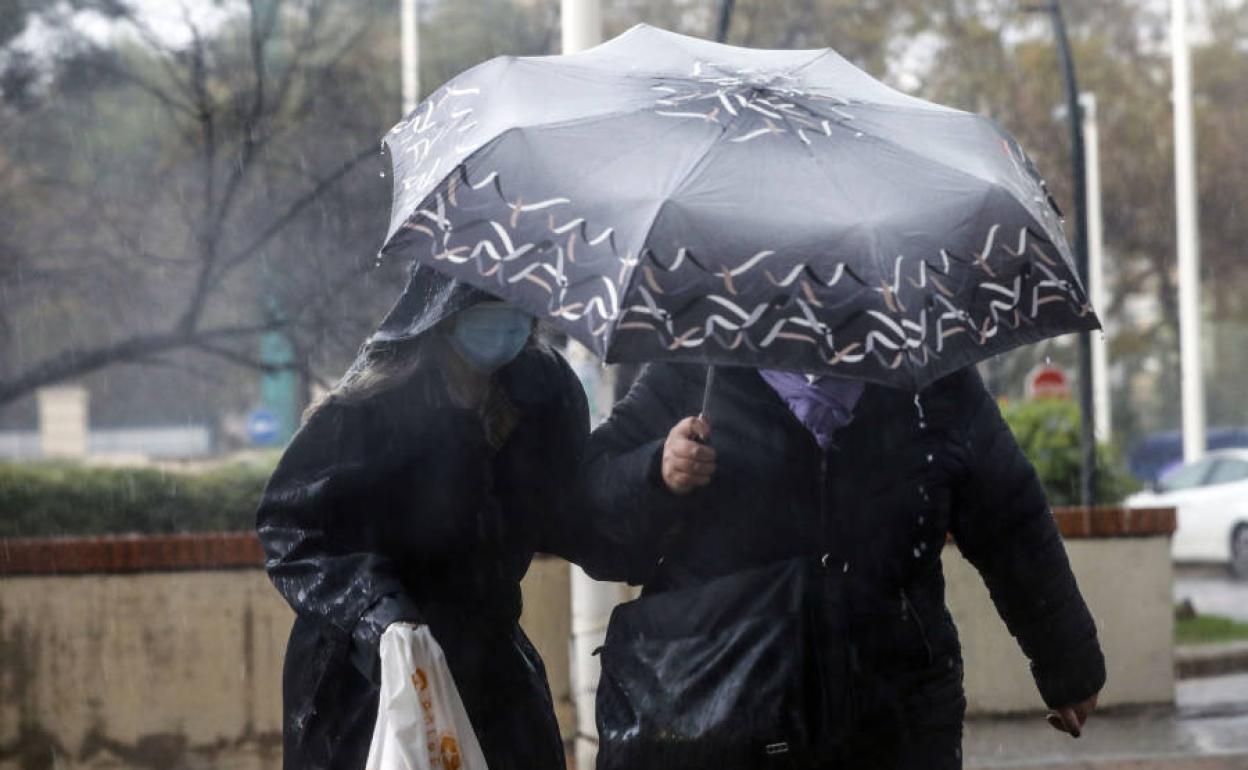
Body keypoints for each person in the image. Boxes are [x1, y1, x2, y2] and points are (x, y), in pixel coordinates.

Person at [582, 362, 1105, 769]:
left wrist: (1068, 664)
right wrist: (657, 470)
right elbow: (594, 521)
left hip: (897, 706)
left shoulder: (934, 381)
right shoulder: (695, 369)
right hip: (726, 701)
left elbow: (1010, 519)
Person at [256, 268, 604, 770]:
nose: (505, 322)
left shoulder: (545, 394)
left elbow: (572, 512)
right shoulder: (374, 401)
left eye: (518, 305)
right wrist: (378, 610)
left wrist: (656, 478)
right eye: (486, 306)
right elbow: (290, 529)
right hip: (368, 673)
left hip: (490, 660)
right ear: (446, 310)